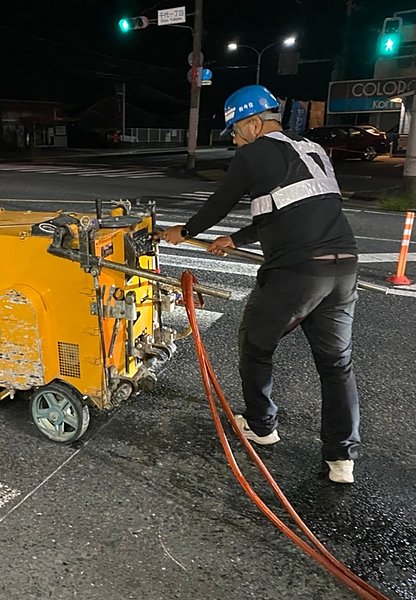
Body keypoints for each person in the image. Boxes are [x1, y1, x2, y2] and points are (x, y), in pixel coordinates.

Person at [161, 85, 361, 484]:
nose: (234, 141)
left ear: (254, 123)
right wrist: (236, 240)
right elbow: (288, 208)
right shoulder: (312, 150)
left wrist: (184, 231)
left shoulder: (255, 154)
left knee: (255, 345)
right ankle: (342, 460)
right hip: (342, 267)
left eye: (235, 131)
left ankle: (261, 425)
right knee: (337, 365)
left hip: (296, 272)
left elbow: (220, 201)